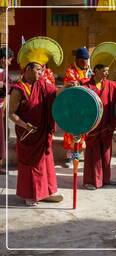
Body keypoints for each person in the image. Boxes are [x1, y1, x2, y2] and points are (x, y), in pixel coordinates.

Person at [9, 37, 70, 206]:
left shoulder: (42, 84)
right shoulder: (18, 89)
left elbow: (54, 93)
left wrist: (67, 87)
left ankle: (46, 192)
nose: (41, 73)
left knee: (45, 163)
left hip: (42, 132)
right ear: (28, 69)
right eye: (38, 70)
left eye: (42, 70)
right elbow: (11, 114)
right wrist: (24, 125)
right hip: (28, 134)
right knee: (31, 165)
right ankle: (30, 194)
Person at [82, 64, 116, 190]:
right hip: (92, 127)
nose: (107, 73)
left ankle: (105, 179)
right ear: (96, 71)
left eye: (107, 71)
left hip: (107, 126)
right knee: (92, 154)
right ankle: (90, 181)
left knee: (106, 154)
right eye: (104, 71)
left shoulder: (112, 85)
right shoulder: (86, 85)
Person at [63, 47, 91, 167]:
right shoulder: (70, 70)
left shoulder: (89, 70)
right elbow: (75, 85)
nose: (86, 62)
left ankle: (80, 153)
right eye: (84, 59)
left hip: (85, 105)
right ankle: (70, 156)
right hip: (72, 105)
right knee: (71, 131)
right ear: (78, 60)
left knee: (84, 130)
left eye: (87, 59)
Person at [0, 47, 14, 175]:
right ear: (3, 59)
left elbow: (10, 85)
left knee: (1, 135)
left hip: (1, 107)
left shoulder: (5, 72)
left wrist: (4, 85)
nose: (10, 62)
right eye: (9, 60)